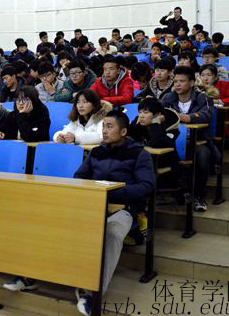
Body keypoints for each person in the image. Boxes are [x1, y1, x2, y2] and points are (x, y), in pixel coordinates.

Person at [73, 110, 155, 316]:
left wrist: (113, 192)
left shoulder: (140, 154)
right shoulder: (96, 152)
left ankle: (93, 294)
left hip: (125, 209)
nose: (104, 131)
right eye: (103, 126)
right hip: (95, 204)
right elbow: (79, 176)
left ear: (124, 131)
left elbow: (146, 186)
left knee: (112, 234)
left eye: (109, 127)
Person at [162, 66, 216, 212]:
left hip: (197, 141)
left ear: (192, 83)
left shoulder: (202, 97)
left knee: (202, 155)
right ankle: (177, 191)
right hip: (173, 141)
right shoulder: (168, 98)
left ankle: (199, 196)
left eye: (182, 81)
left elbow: (207, 115)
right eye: (175, 81)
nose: (177, 84)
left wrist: (187, 117)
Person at [128, 97, 180, 181]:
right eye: (140, 112)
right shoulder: (139, 121)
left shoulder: (171, 129)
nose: (141, 116)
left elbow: (157, 144)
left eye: (146, 112)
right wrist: (136, 126)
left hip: (164, 162)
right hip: (144, 159)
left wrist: (155, 123)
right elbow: (127, 138)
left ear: (157, 114)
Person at [197, 64, 229, 142]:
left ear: (215, 77)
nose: (205, 78)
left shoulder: (223, 85)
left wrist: (217, 101)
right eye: (203, 75)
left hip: (222, 118)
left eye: (209, 75)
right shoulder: (197, 88)